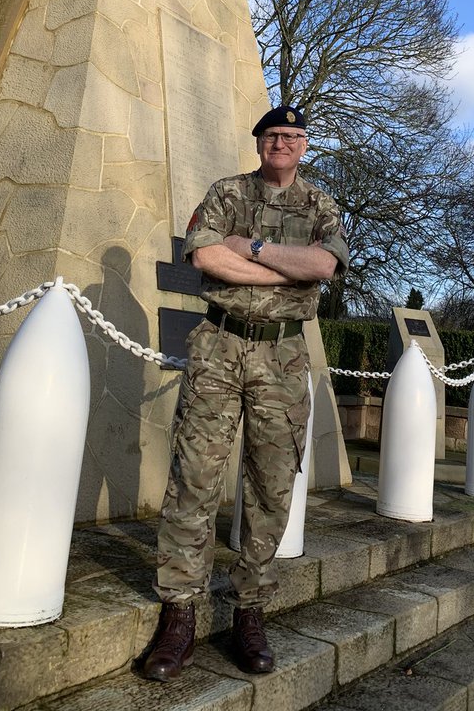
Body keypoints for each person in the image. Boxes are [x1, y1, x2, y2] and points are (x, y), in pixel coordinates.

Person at [143, 105, 349, 682]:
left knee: (271, 482)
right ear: (259, 143)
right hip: (220, 344)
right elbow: (207, 256)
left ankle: (249, 612)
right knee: (195, 477)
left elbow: (325, 266)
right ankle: (179, 614)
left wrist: (252, 250)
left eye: (292, 136)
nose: (281, 143)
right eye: (272, 135)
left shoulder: (320, 205)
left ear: (303, 146)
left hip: (284, 357)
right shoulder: (226, 192)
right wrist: (290, 272)